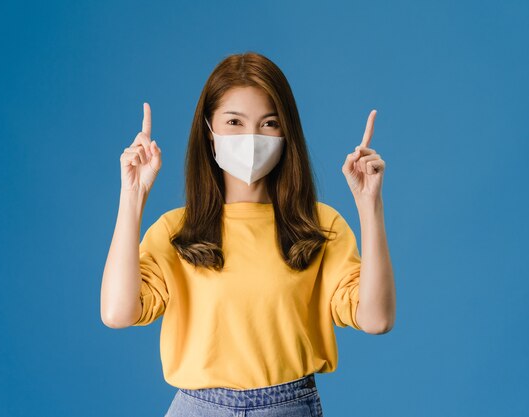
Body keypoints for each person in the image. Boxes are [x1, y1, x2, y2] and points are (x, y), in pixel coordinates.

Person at [100, 51, 396, 417]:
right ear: (209, 131)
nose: (252, 137)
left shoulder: (319, 225)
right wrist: (132, 196)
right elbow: (117, 313)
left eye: (269, 123)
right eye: (235, 122)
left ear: (286, 132)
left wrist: (370, 206)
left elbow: (376, 319)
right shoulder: (177, 231)